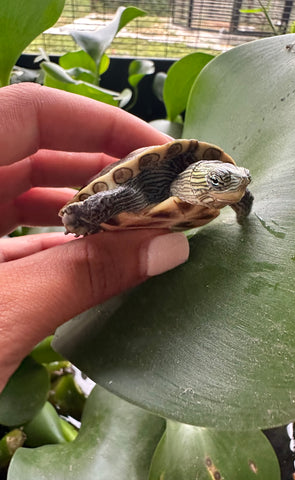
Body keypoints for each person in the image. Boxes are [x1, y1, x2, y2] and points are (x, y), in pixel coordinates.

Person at [0, 83, 189, 392]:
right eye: (216, 178)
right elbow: (123, 193)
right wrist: (84, 215)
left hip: (168, 212)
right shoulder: (138, 189)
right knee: (122, 196)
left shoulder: (202, 184)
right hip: (130, 200)